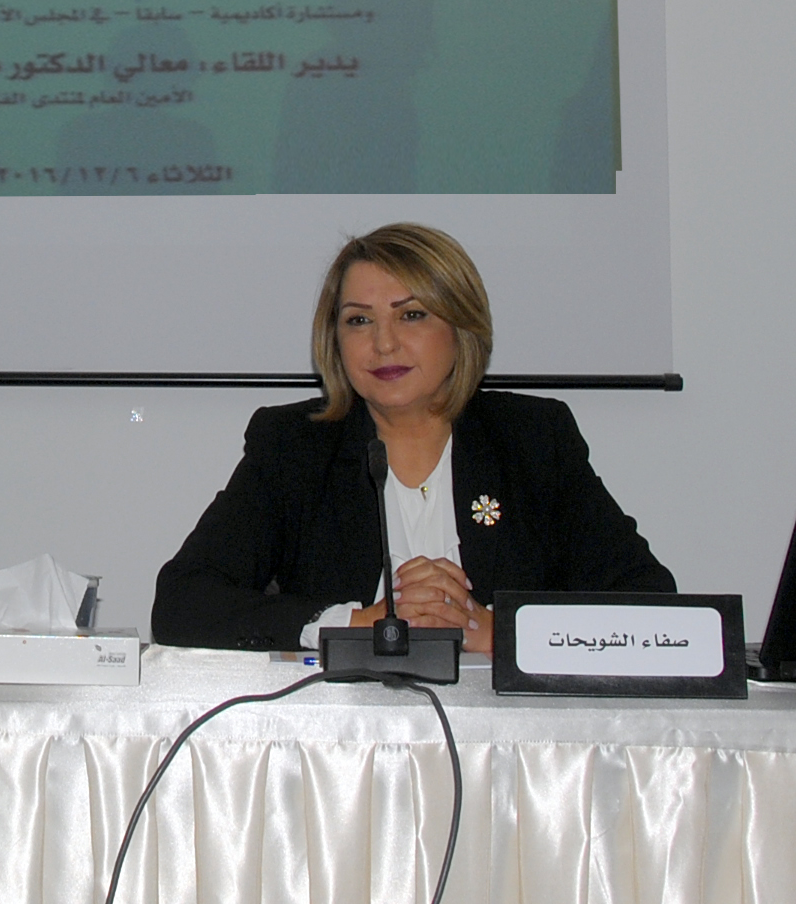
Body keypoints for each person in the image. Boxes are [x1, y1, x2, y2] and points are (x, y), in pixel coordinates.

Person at [152, 222, 672, 652]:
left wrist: (494, 631)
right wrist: (359, 623)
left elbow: (650, 603)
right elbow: (182, 603)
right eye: (359, 321)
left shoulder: (532, 439)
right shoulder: (294, 446)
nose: (383, 343)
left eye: (412, 315)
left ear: (462, 328)